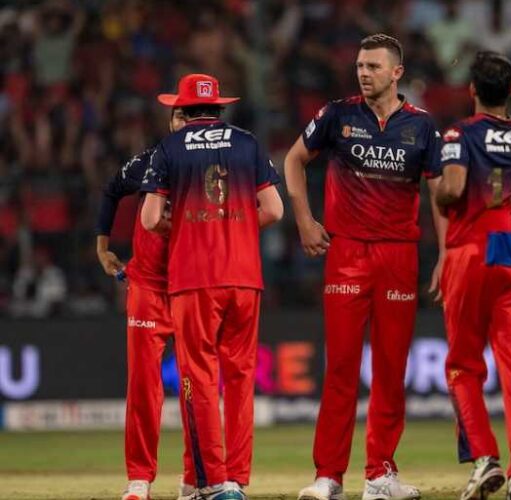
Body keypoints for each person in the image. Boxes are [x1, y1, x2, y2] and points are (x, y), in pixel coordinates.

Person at [284, 33, 445, 500]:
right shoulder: (338, 114)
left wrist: (447, 254)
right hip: (348, 253)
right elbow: (293, 160)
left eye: (373, 66)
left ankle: (380, 475)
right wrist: (305, 220)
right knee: (340, 367)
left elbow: (438, 192)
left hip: (399, 255)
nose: (363, 73)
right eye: (359, 65)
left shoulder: (422, 126)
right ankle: (328, 477)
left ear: (397, 73)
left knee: (392, 369)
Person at [140, 73, 283, 500]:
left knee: (197, 379)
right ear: (219, 107)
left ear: (182, 111)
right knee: (240, 378)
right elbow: (274, 210)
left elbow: (149, 219)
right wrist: (234, 229)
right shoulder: (248, 143)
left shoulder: (169, 148)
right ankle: (236, 480)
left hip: (194, 280)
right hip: (244, 277)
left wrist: (186, 228)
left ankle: (213, 482)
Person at [435, 51, 511, 500]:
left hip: (471, 250)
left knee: (463, 364)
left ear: (472, 90)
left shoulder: (459, 133)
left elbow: (453, 187)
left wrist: (441, 197)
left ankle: (485, 459)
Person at [95, 108, 186, 500]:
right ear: (170, 122)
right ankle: (139, 479)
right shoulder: (150, 160)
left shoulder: (219, 164)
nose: (186, 124)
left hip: (194, 285)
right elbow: (112, 189)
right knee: (144, 387)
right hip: (148, 288)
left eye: (193, 116)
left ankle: (197, 476)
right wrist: (102, 248)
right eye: (180, 116)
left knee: (197, 385)